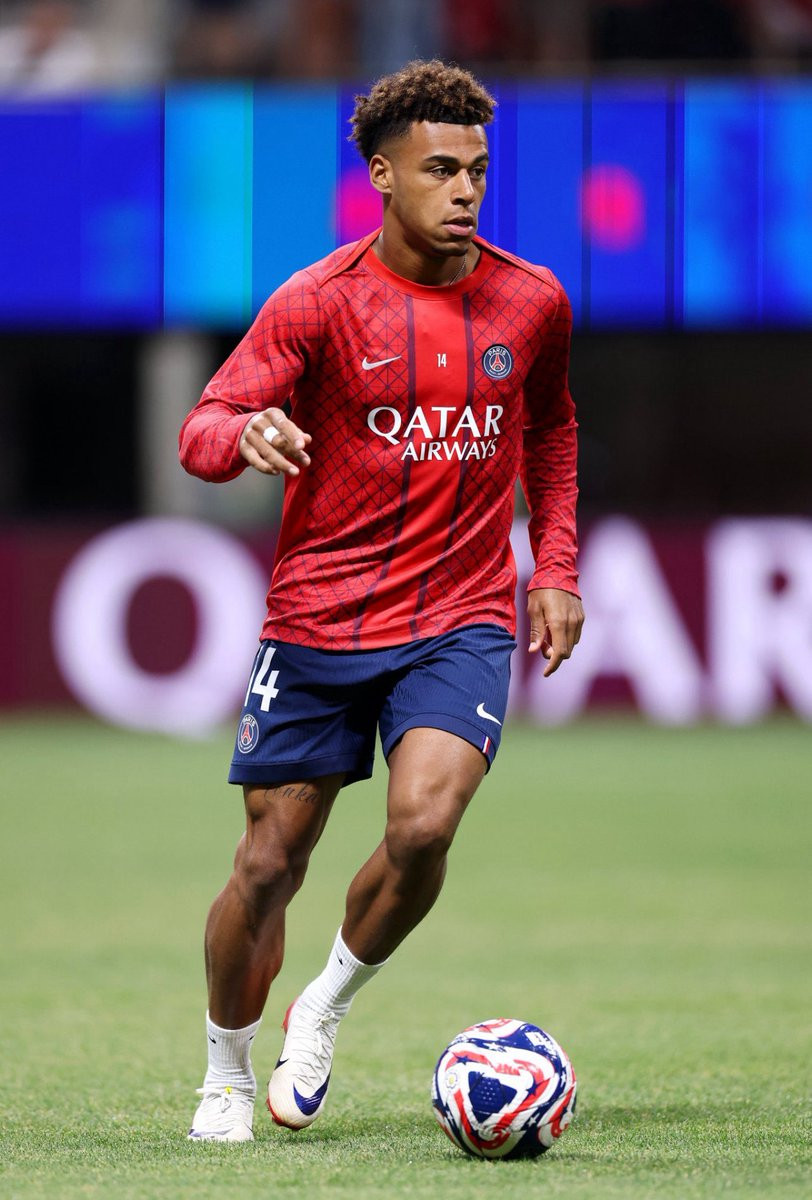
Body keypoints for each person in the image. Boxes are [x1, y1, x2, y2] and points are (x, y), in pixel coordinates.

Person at [178, 58, 584, 1143]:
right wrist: (245, 434)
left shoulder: (531, 300)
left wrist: (553, 565)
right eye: (440, 169)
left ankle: (323, 1005)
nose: (464, 189)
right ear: (383, 176)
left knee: (424, 825)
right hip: (321, 615)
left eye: (477, 169)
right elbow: (201, 426)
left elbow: (550, 429)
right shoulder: (316, 302)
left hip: (460, 612)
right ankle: (225, 1071)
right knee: (268, 864)